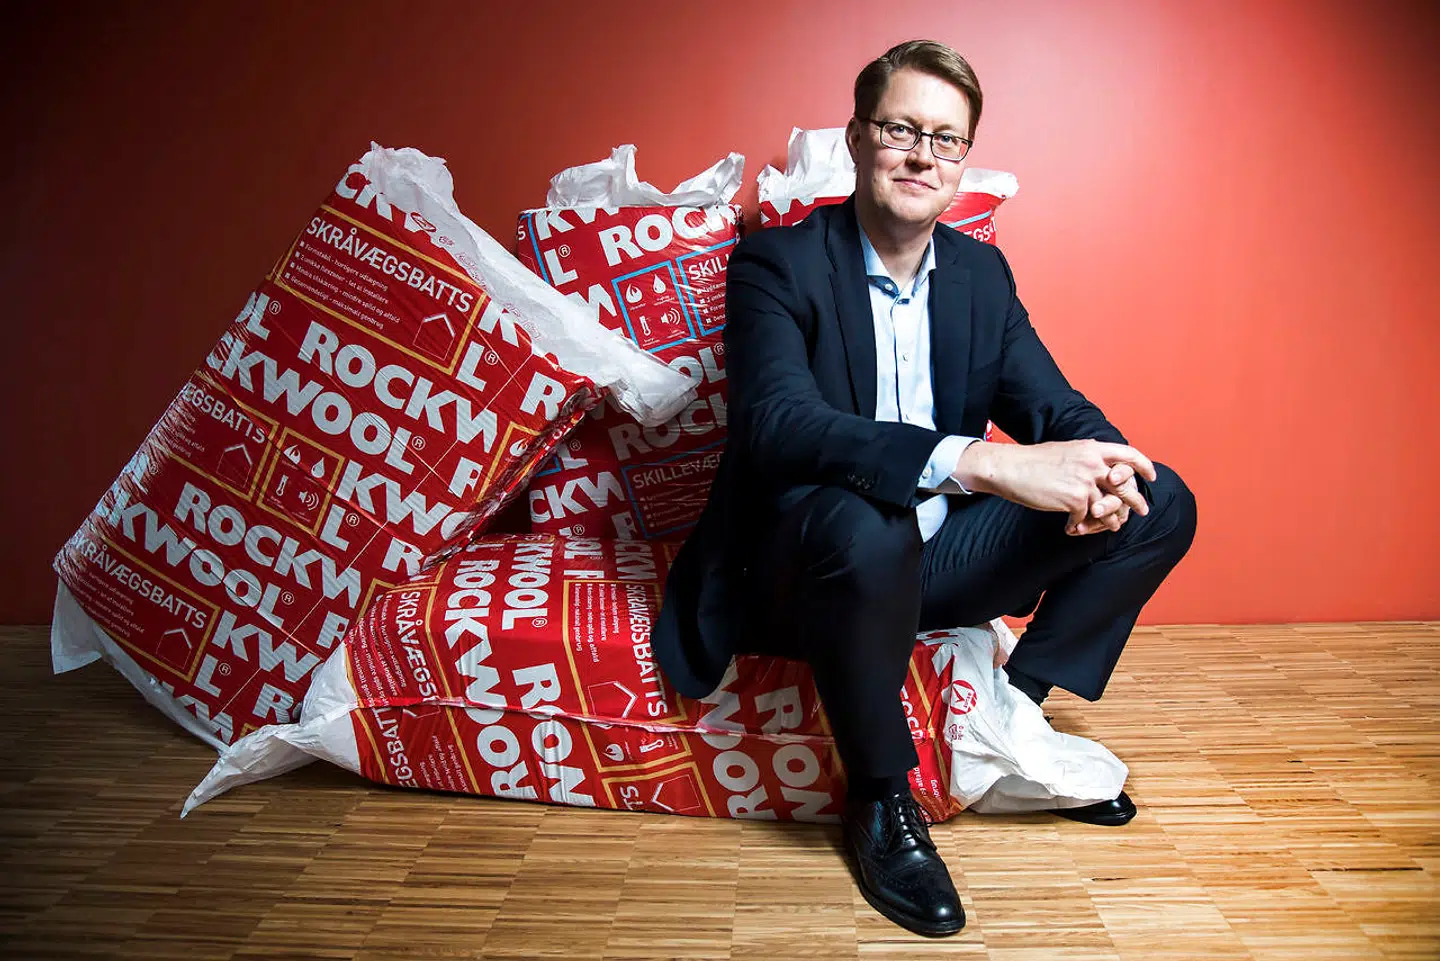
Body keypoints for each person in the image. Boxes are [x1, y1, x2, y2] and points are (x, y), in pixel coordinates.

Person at [652, 39, 1197, 938]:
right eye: (900, 130)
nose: (921, 156)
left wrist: (1101, 465)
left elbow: (1053, 405)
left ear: (963, 159)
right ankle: (879, 797)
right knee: (867, 523)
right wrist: (978, 460)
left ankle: (1012, 717)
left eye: (945, 140)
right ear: (858, 137)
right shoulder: (778, 264)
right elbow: (778, 424)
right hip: (804, 571)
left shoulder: (980, 275)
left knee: (1157, 497)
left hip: (930, 558)